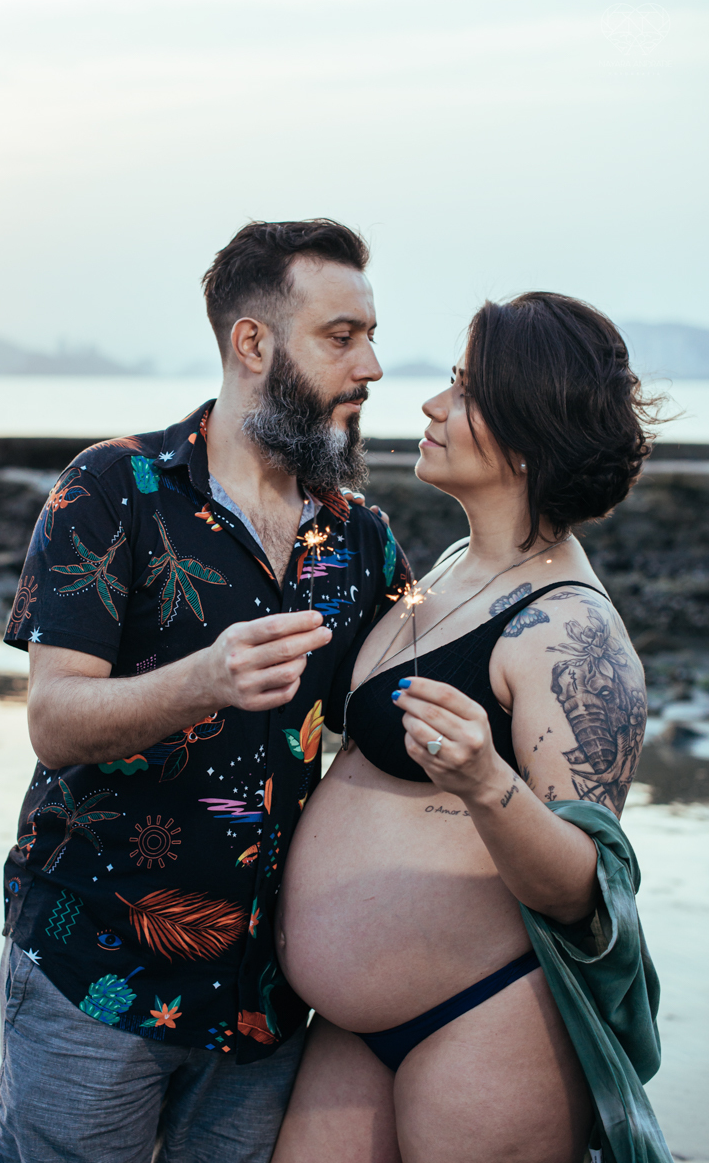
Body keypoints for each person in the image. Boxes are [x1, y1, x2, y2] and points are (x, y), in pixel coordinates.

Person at [0, 219, 411, 1163]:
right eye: (341, 337)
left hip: (266, 1001)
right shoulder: (112, 489)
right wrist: (205, 679)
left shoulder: (362, 536)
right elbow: (54, 724)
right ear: (252, 342)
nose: (373, 367)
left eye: (371, 337)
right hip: (94, 971)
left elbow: (396, 718)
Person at [273, 292, 670, 1163]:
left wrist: (488, 784)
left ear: (529, 436)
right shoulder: (451, 567)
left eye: (463, 389)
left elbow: (588, 892)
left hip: (483, 1022)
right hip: (349, 1029)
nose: (430, 405)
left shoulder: (571, 633)